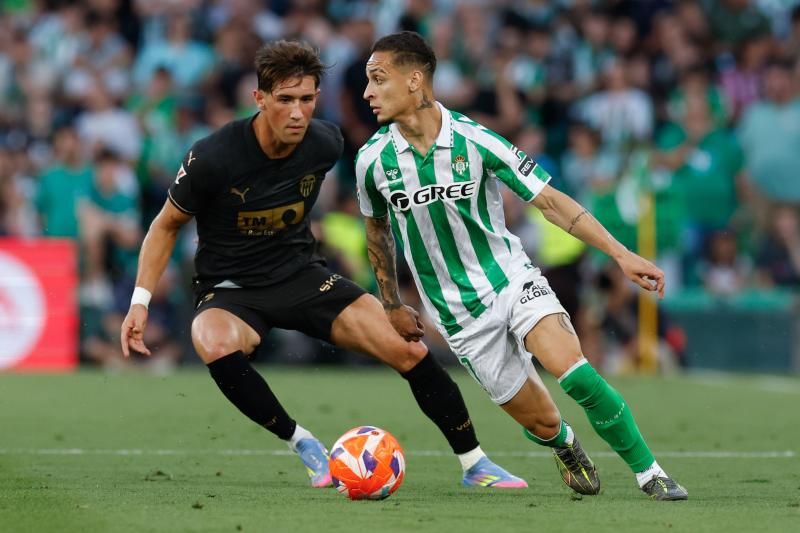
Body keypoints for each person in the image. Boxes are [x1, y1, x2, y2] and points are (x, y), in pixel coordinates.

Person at [120, 40, 525, 490]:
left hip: (303, 275)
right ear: (260, 99)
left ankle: (476, 464)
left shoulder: (326, 143)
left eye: (307, 100)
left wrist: (391, 298)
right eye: (285, 100)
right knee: (211, 342)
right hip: (232, 288)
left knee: (409, 348)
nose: (297, 112)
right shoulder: (213, 156)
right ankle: (302, 442)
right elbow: (165, 226)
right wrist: (141, 301)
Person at [356, 31, 688, 500]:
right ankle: (565, 445)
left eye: (377, 79)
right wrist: (390, 303)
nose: (367, 92)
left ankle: (649, 473)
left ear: (415, 80)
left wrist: (620, 254)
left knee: (571, 369)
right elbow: (376, 232)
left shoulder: (476, 141)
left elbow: (550, 201)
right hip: (457, 312)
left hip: (511, 278)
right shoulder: (371, 161)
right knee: (543, 420)